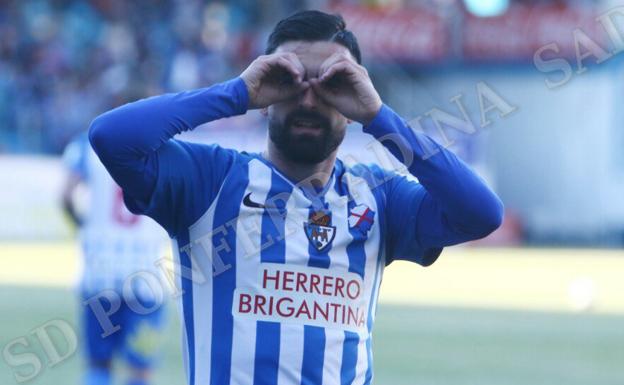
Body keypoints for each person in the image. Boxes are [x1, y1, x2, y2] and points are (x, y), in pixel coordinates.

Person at [89, 10, 503, 385]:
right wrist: (236, 95)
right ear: (265, 95)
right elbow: (112, 137)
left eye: (332, 84)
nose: (308, 98)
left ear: (354, 97)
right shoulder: (210, 182)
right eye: (287, 81)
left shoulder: (381, 198)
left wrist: (379, 117)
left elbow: (481, 213)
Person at [62, 133, 168, 385]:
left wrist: (82, 226)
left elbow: (66, 194)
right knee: (140, 369)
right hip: (146, 273)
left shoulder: (86, 146)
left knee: (99, 364)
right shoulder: (161, 145)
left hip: (101, 271)